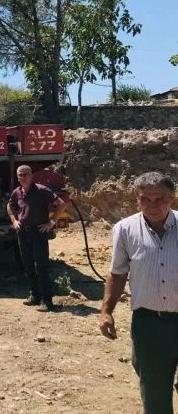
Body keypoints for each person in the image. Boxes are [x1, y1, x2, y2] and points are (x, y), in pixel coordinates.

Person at [100, 172, 178, 414]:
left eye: (160, 199)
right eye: (146, 199)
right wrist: (106, 311)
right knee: (154, 391)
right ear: (137, 200)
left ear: (172, 198)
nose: (153, 205)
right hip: (149, 323)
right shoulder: (125, 229)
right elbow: (118, 273)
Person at [6, 164, 66, 312]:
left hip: (38, 232)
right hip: (23, 233)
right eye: (20, 175)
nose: (23, 178)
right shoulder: (17, 192)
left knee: (41, 266)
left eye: (26, 174)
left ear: (32, 176)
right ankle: (35, 296)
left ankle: (47, 302)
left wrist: (52, 222)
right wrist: (14, 221)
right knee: (28, 265)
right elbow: (9, 206)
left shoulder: (42, 190)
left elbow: (61, 204)